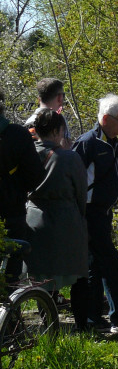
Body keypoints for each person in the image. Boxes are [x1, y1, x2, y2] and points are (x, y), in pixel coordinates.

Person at [72, 94, 118, 334]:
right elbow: (73, 180)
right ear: (105, 118)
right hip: (89, 214)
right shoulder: (87, 143)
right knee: (110, 262)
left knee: (96, 267)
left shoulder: (115, 143)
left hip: (104, 214)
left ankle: (96, 319)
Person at [25, 108, 89, 328]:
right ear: (55, 130)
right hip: (67, 220)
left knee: (43, 279)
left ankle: (50, 326)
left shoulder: (27, 154)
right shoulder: (69, 157)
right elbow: (81, 192)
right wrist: (81, 218)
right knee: (79, 274)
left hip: (33, 219)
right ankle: (82, 325)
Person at [0, 88, 46, 279]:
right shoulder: (17, 135)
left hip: (12, 211)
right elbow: (35, 175)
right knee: (11, 276)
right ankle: (10, 308)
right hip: (11, 213)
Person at [25, 77, 72, 149]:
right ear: (60, 97)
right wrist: (65, 152)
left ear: (39, 99)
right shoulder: (60, 121)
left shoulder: (29, 123)